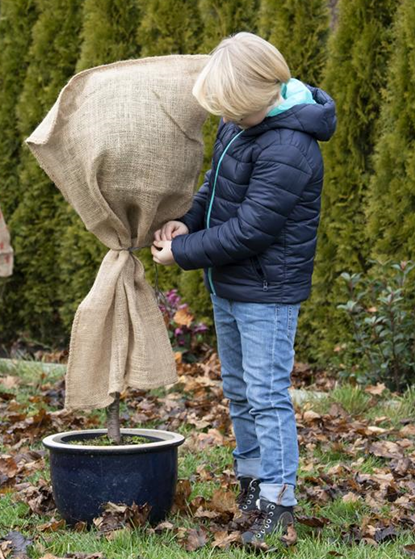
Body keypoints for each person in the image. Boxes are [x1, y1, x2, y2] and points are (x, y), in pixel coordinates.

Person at [151, 32, 336, 548]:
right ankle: (252, 482)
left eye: (234, 108)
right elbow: (216, 186)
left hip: (267, 292)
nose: (226, 117)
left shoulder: (291, 147)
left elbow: (253, 229)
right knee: (238, 390)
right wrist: (188, 222)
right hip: (230, 283)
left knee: (266, 395)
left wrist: (183, 253)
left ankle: (278, 500)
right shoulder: (241, 123)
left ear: (262, 94)